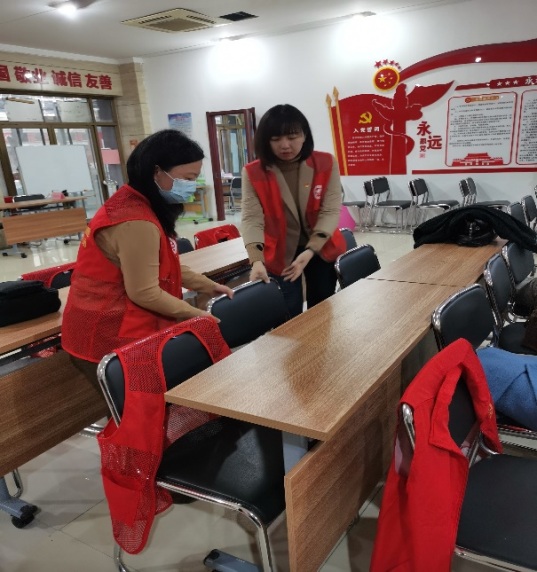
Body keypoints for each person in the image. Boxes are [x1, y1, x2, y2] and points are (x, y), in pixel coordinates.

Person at [62, 129, 233, 387]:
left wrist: (209, 286)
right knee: (137, 403)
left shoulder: (139, 203)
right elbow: (144, 292)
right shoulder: (135, 220)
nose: (192, 187)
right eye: (187, 178)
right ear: (157, 172)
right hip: (109, 329)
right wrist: (196, 315)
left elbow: (167, 264)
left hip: (118, 322)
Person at [241, 104, 346, 317]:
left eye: (292, 137)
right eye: (276, 139)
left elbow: (330, 210)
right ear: (265, 141)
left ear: (304, 135)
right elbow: (252, 218)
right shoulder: (253, 172)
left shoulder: (325, 162)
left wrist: (310, 251)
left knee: (321, 310)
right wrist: (256, 260)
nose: (285, 145)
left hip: (320, 247)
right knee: (288, 313)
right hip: (280, 251)